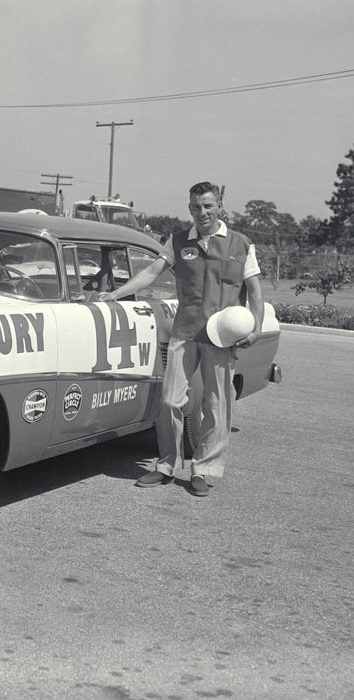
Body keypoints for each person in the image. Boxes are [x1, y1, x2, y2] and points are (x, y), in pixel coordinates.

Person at [99, 181, 264, 496]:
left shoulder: (241, 244)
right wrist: (118, 294)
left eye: (207, 206)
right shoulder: (177, 241)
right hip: (185, 332)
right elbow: (151, 272)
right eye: (195, 207)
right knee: (170, 401)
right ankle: (166, 467)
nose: (201, 212)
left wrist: (255, 328)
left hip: (222, 338)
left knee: (216, 405)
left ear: (219, 207)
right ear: (189, 208)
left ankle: (203, 470)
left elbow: (255, 291)